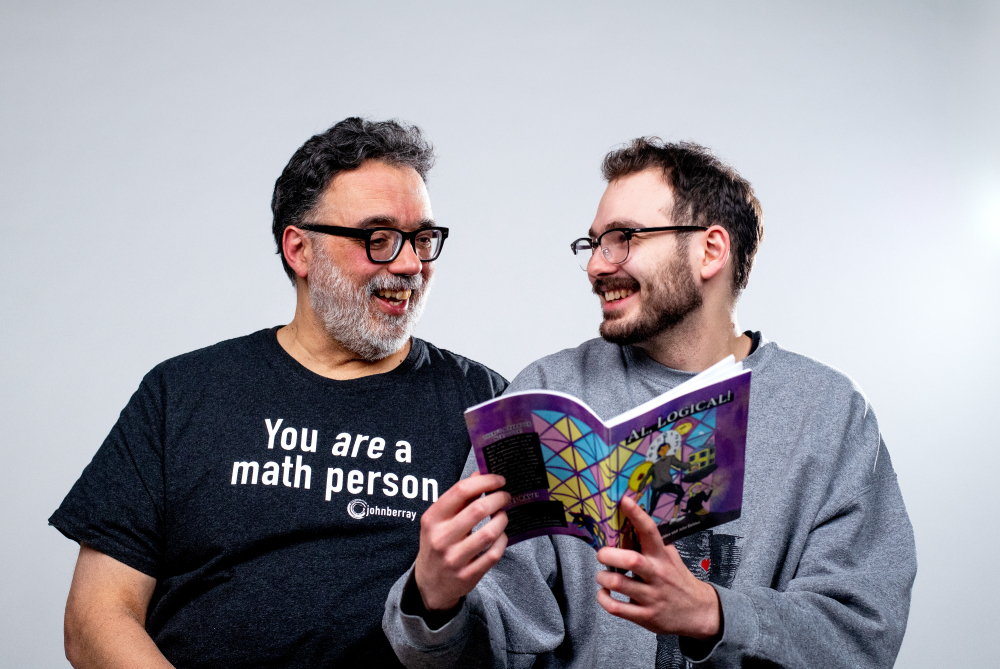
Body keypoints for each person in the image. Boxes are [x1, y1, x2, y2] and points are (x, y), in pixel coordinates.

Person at [384, 138, 917, 668]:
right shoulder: (546, 394)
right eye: (592, 244)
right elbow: (488, 641)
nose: (596, 266)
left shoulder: (827, 412)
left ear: (711, 250)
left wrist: (713, 613)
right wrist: (432, 602)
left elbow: (861, 638)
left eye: (622, 238)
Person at [49, 117, 507, 668]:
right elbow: (96, 616)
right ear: (299, 250)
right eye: (377, 239)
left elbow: (524, 616)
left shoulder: (486, 405)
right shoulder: (182, 394)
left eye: (423, 239)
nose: (410, 264)